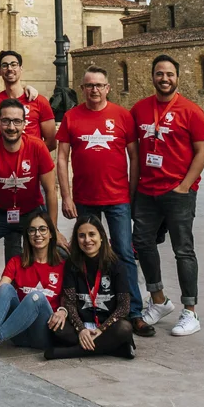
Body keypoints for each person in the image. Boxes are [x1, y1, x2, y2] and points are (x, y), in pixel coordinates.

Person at [55, 66, 143, 330]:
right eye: (88, 85)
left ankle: (134, 311)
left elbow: (134, 157)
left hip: (117, 197)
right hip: (84, 197)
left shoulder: (122, 116)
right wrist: (66, 197)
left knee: (124, 253)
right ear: (82, 89)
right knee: (85, 253)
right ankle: (87, 306)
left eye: (98, 85)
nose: (94, 90)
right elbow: (61, 158)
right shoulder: (72, 117)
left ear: (107, 88)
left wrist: (132, 191)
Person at [132, 54, 204, 338]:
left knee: (183, 250)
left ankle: (190, 311)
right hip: (146, 191)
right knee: (142, 244)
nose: (164, 78)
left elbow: (202, 151)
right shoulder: (139, 109)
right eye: (159, 74)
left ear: (177, 77)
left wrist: (185, 186)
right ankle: (159, 300)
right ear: (152, 76)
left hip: (177, 191)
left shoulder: (191, 111)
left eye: (169, 74)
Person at [0, 98, 60, 323]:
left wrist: (52, 230)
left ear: (25, 124)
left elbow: (50, 190)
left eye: (17, 121)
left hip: (30, 213)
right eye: (6, 121)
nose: (11, 127)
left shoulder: (37, 146)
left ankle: (34, 309)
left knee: (50, 254)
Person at [0, 212, 67, 368]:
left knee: (35, 297)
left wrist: (63, 311)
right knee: (6, 288)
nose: (37, 234)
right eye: (32, 230)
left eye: (43, 229)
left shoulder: (62, 265)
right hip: (17, 332)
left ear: (51, 233)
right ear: (27, 235)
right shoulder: (17, 261)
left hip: (43, 333)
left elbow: (68, 298)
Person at [45, 214, 135, 360]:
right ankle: (112, 349)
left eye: (92, 234)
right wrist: (81, 329)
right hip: (79, 326)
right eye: (82, 236)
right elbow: (69, 302)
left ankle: (70, 352)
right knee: (57, 328)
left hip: (107, 326)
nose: (87, 240)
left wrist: (101, 329)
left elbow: (124, 307)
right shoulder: (72, 264)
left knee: (124, 328)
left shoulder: (117, 265)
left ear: (101, 237)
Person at [0, 50, 56, 148]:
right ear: (0, 71)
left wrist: (31, 156)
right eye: (5, 65)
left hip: (31, 161)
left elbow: (51, 142)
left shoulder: (39, 100)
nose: (9, 68)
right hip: (4, 161)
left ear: (21, 68)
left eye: (14, 65)